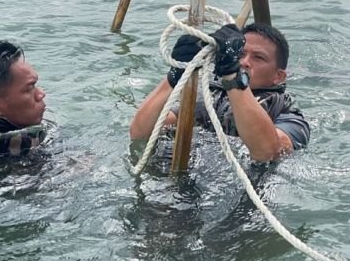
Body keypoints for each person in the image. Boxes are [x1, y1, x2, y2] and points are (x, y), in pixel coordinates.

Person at [129, 22, 310, 163]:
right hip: (185, 181)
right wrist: (174, 77)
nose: (245, 62)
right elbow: (141, 132)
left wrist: (233, 77)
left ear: (279, 76)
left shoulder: (288, 115)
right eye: (240, 54)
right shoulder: (210, 97)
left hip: (242, 198)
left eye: (258, 57)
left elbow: (268, 152)